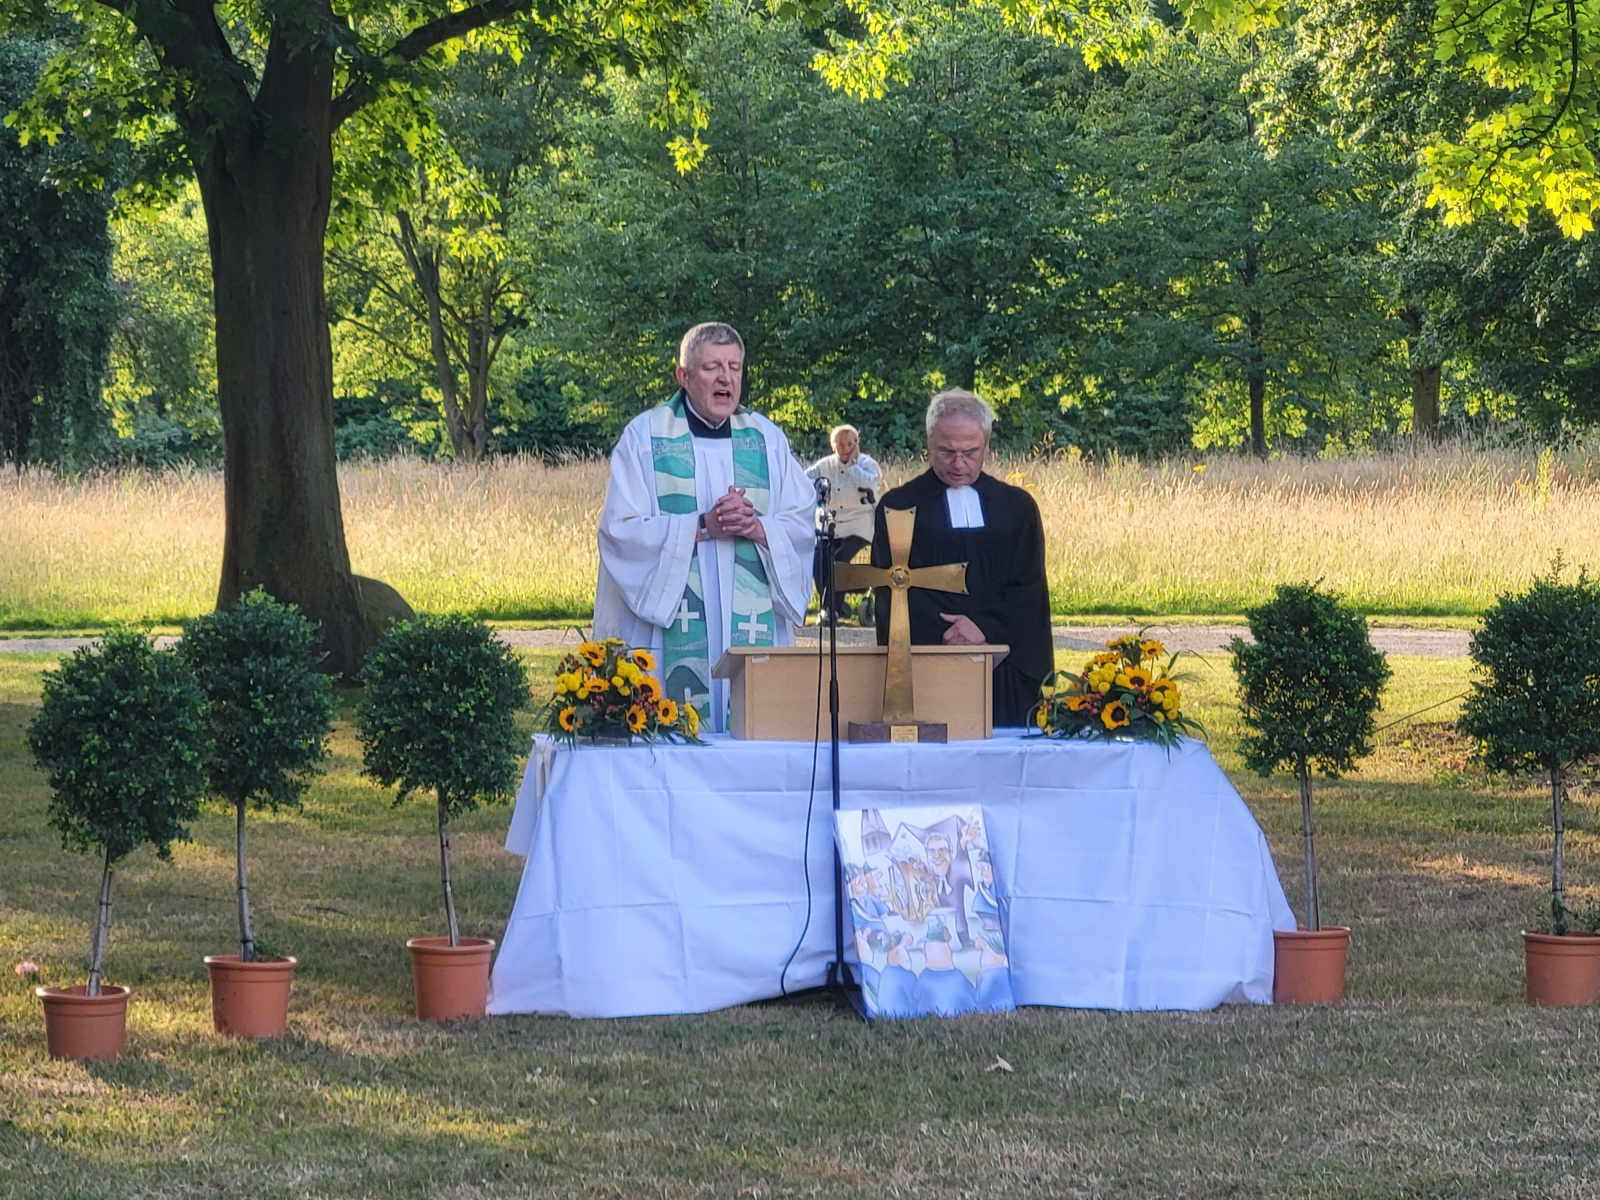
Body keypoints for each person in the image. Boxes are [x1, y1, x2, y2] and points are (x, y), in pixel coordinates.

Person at [594, 323, 815, 732]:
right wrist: (702, 525)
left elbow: (800, 522)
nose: (725, 378)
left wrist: (756, 527)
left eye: (734, 367)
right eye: (712, 367)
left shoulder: (767, 439)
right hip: (671, 630)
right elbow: (620, 531)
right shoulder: (645, 437)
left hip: (752, 621)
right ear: (683, 375)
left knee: (754, 733)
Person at [870, 388, 1053, 728]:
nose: (958, 464)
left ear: (987, 446)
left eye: (970, 452)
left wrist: (984, 627)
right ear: (929, 443)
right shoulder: (899, 507)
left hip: (1004, 663)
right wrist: (952, 634)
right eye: (947, 452)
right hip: (929, 664)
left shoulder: (1017, 508)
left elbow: (1028, 587)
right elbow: (891, 587)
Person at [805, 425, 882, 619]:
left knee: (838, 561)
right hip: (831, 523)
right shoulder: (825, 465)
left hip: (859, 524)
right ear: (833, 446)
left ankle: (829, 610)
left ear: (856, 444)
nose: (845, 448)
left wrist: (853, 465)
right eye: (840, 444)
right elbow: (803, 479)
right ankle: (836, 605)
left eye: (849, 444)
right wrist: (812, 491)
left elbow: (869, 482)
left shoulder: (867, 464)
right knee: (819, 561)